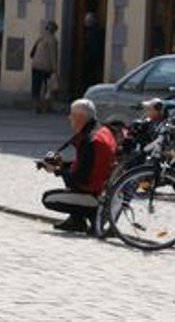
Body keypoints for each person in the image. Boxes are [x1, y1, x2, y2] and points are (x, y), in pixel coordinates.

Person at [36, 98, 118, 233]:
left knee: (48, 198)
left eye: (72, 115)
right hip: (103, 188)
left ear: (81, 117)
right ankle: (77, 221)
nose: (69, 118)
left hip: (95, 195)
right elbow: (86, 165)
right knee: (67, 176)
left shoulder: (90, 140)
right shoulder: (102, 131)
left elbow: (80, 178)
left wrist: (56, 170)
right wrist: (62, 164)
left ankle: (92, 214)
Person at [29, 21, 59, 113]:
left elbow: (32, 52)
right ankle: (46, 106)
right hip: (45, 67)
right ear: (54, 30)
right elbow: (52, 55)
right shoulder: (52, 40)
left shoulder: (40, 37)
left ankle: (36, 106)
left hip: (35, 65)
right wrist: (55, 69)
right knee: (47, 88)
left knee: (36, 87)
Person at [77, 11, 106, 98]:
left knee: (90, 79)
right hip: (89, 60)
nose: (85, 22)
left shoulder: (95, 32)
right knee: (88, 79)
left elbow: (94, 47)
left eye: (87, 20)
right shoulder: (89, 31)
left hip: (92, 61)